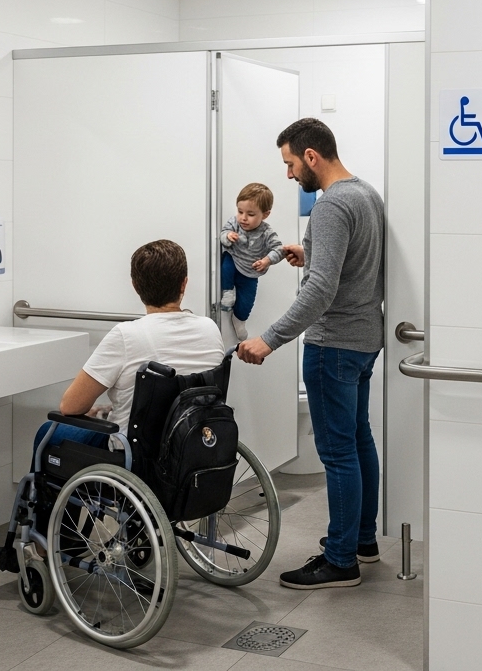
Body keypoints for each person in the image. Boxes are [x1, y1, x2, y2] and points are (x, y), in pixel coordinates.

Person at [236, 117, 385, 591]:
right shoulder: (366, 194)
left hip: (333, 345)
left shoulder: (329, 206)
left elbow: (321, 290)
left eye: (289, 163)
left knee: (337, 454)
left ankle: (340, 560)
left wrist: (269, 339)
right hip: (364, 339)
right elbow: (354, 265)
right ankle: (362, 541)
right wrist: (312, 252)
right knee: (359, 442)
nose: (288, 175)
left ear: (311, 157)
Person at [31, 239, 223, 465]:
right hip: (196, 447)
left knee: (48, 431)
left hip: (137, 457)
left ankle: (42, 500)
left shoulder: (126, 335)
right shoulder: (210, 329)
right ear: (184, 284)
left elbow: (71, 406)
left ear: (135, 286)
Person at [220, 182, 286, 342]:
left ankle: (239, 321)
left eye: (250, 214)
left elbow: (280, 250)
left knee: (246, 303)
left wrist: (266, 260)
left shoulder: (267, 232)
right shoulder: (234, 223)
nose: (243, 218)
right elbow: (223, 234)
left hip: (250, 273)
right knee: (226, 265)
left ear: (265, 214)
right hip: (234, 259)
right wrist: (228, 237)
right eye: (240, 211)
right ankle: (227, 291)